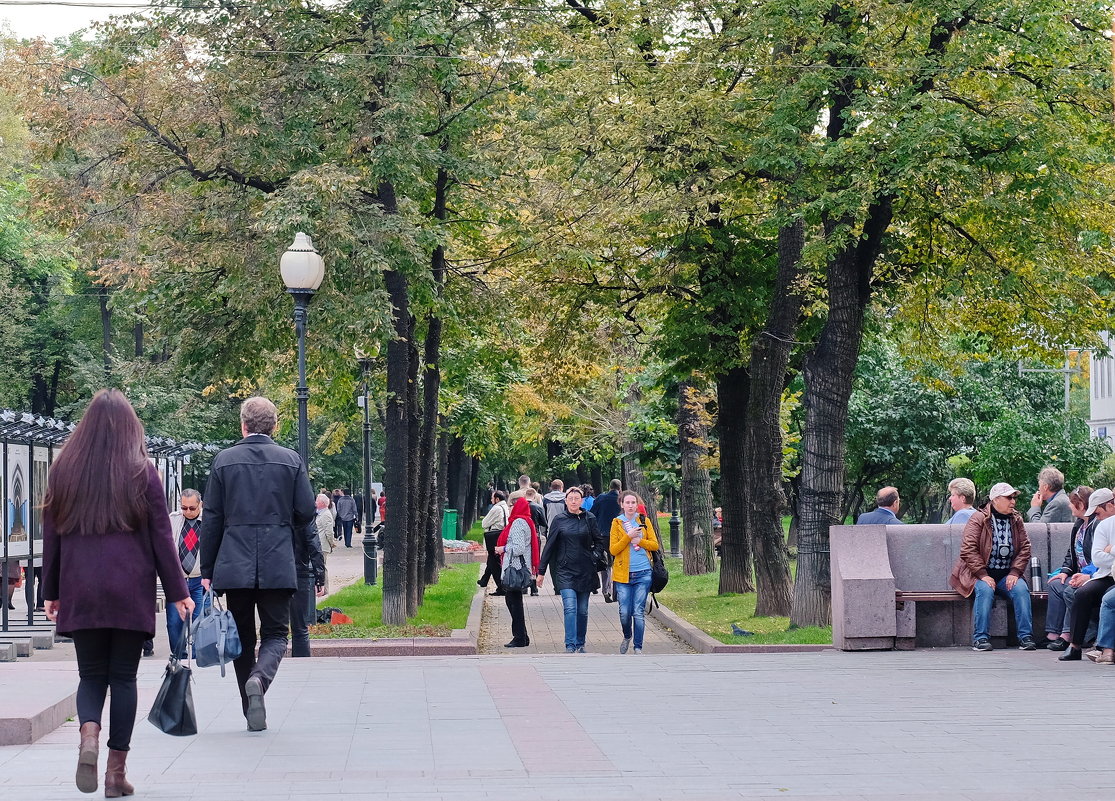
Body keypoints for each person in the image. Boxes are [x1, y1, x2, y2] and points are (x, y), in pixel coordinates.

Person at [42, 389, 193, 796]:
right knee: (124, 679)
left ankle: (87, 735)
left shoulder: (63, 470)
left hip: (81, 589)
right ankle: (114, 774)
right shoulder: (143, 471)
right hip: (130, 591)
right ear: (130, 428)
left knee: (91, 676)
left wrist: (50, 590)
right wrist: (179, 592)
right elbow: (163, 538)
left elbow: (52, 535)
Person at [200, 396, 318, 731]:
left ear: (243, 425)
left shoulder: (224, 461)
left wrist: (207, 570)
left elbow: (212, 519)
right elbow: (307, 512)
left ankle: (249, 704)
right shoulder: (290, 460)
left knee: (242, 639)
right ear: (274, 425)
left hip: (234, 564)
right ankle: (260, 681)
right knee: (277, 634)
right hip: (278, 561)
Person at [948, 482, 1036, 651]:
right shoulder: (979, 518)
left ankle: (1026, 637)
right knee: (985, 590)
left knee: (1020, 590)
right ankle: (980, 639)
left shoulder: (1016, 519)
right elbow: (968, 549)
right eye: (1009, 498)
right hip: (979, 575)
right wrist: (983, 574)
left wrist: (1015, 572)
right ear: (995, 500)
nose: (1013, 502)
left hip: (1006, 575)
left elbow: (1025, 547)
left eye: (1014, 498)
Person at [536, 486, 603, 653]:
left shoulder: (590, 518)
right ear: (565, 501)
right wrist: (541, 572)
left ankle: (580, 643)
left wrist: (594, 555)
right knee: (570, 607)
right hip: (565, 571)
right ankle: (570, 645)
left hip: (585, 570)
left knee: (583, 610)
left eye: (577, 498)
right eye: (570, 498)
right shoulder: (559, 520)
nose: (573, 501)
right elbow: (549, 546)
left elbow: (600, 541)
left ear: (581, 501)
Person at [1057, 487, 1115, 661]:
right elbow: (1097, 558)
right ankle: (1074, 645)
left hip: (1106, 574)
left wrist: (1111, 549)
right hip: (1106, 574)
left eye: (1098, 513)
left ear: (1110, 505)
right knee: (1081, 593)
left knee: (1107, 598)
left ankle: (1102, 646)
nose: (1096, 517)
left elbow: (1101, 556)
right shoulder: (1103, 525)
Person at [1043, 486, 1100, 650]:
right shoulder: (1079, 525)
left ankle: (1070, 635)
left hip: (1092, 575)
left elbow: (1098, 558)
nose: (1069, 506)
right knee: (1055, 584)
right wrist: (1065, 571)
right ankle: (1052, 634)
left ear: (1081, 505)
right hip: (1079, 574)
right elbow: (1071, 552)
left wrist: (1085, 576)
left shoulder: (1096, 526)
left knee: (1071, 589)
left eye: (1071, 503)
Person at [610, 491, 660, 655]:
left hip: (643, 572)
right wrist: (628, 537)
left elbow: (655, 545)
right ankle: (627, 635)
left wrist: (640, 541)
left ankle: (638, 647)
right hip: (623, 574)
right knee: (625, 612)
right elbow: (613, 549)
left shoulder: (644, 521)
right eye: (628, 503)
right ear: (622, 504)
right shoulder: (617, 523)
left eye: (633, 502)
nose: (631, 505)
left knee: (638, 611)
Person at [166, 489, 211, 659]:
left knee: (200, 622)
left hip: (200, 580)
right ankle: (179, 656)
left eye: (192, 508)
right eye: (184, 508)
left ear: (201, 504)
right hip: (178, 580)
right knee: (174, 623)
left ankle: (197, 656)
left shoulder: (209, 521)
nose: (188, 512)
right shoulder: (174, 519)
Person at [495, 498, 540, 648]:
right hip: (519, 567)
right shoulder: (526, 521)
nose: (510, 508)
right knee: (514, 601)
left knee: (514, 603)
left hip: (515, 568)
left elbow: (519, 547)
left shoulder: (518, 523)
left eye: (512, 505)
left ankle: (519, 637)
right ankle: (522, 636)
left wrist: (503, 549)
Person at [591, 479, 623, 602]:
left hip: (603, 534)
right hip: (619, 536)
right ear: (619, 488)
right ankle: (616, 592)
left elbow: (592, 514)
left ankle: (606, 590)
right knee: (618, 563)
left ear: (609, 487)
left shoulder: (601, 498)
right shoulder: (621, 500)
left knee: (605, 563)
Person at [478, 490, 509, 595]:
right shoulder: (506, 507)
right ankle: (484, 580)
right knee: (492, 560)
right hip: (502, 536)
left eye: (492, 498)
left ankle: (501, 587)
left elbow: (484, 523)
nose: (491, 500)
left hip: (494, 537)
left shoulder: (496, 508)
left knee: (493, 562)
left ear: (497, 499)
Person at [314, 493, 335, 594]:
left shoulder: (326, 514)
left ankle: (325, 590)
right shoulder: (320, 513)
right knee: (320, 566)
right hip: (319, 545)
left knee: (322, 567)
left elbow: (329, 532)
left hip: (323, 545)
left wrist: (332, 543)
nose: (315, 502)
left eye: (317, 501)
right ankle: (319, 588)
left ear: (322, 503)